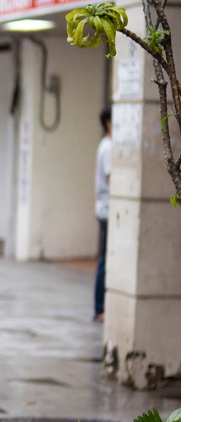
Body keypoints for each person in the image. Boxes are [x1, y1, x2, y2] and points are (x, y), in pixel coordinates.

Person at [94, 107, 112, 321]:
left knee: (105, 260)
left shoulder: (105, 145)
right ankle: (100, 308)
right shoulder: (108, 148)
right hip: (107, 211)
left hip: (104, 209)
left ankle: (100, 307)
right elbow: (112, 178)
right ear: (108, 123)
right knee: (105, 261)